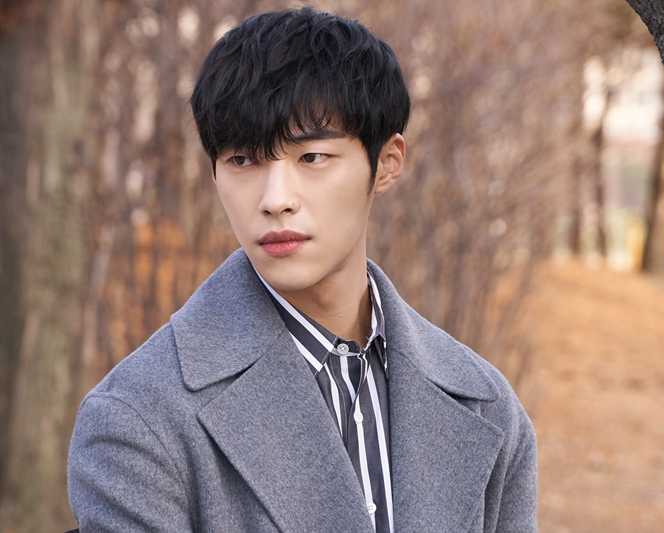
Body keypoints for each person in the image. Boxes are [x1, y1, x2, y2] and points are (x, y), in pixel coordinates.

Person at [67, 7, 537, 532]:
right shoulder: (137, 419)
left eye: (312, 157)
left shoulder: (487, 405)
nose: (275, 199)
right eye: (243, 160)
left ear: (386, 163)